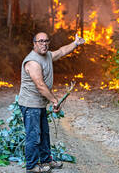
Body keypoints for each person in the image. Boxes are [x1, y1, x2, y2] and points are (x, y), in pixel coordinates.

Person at [18, 32, 85, 173]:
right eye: (40, 41)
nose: (44, 43)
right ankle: (31, 166)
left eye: (46, 41)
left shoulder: (47, 55)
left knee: (44, 134)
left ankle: (46, 160)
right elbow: (40, 86)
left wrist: (75, 43)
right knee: (33, 136)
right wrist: (55, 101)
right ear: (34, 43)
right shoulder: (33, 62)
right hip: (30, 105)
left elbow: (61, 51)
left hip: (39, 104)